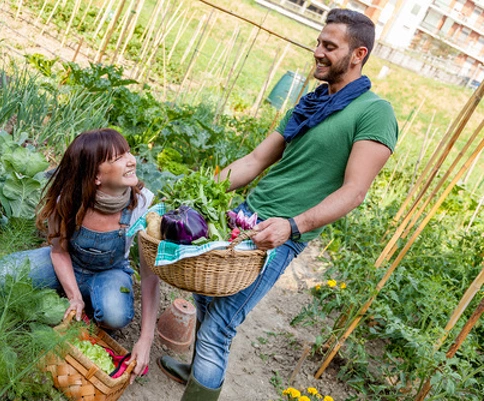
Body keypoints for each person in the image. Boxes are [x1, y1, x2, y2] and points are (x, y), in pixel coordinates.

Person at [157, 8, 398, 400]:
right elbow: (253, 162)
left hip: (279, 235)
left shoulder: (374, 112)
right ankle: (196, 373)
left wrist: (293, 225)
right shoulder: (310, 104)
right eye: (319, 42)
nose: (317, 51)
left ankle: (201, 382)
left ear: (358, 54)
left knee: (221, 325)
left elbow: (354, 191)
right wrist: (191, 195)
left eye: (329, 46)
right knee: (208, 298)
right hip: (245, 217)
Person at [0, 128, 160, 383]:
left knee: (114, 315)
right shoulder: (67, 198)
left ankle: (86, 301)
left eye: (127, 152)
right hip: (67, 262)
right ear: (96, 176)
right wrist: (74, 296)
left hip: (109, 272)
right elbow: (58, 249)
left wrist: (146, 339)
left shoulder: (141, 205)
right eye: (118, 158)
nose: (131, 159)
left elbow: (149, 277)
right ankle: (74, 298)